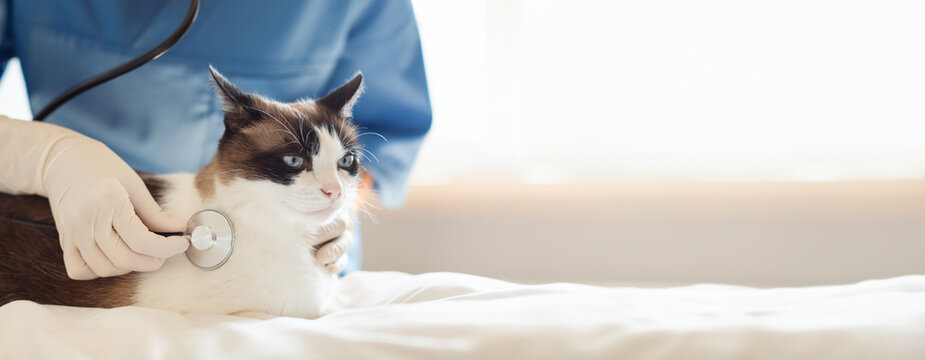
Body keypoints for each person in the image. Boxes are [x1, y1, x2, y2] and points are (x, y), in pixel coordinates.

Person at [0, 0, 431, 279]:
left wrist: (331, 210)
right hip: (83, 247)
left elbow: (385, 134)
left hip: (288, 258)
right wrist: (41, 158)